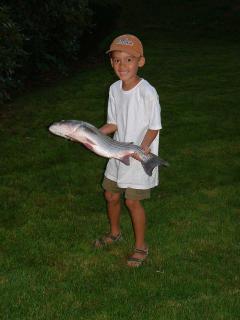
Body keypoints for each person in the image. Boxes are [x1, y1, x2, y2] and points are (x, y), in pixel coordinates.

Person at [94, 34, 162, 267]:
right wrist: (93, 134)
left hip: (139, 156)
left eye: (129, 60)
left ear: (140, 61)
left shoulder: (147, 92)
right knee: (110, 194)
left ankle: (141, 246)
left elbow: (155, 127)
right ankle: (115, 233)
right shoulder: (114, 89)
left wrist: (140, 151)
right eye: (116, 61)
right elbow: (113, 123)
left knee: (133, 202)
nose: (122, 66)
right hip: (116, 152)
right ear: (111, 63)